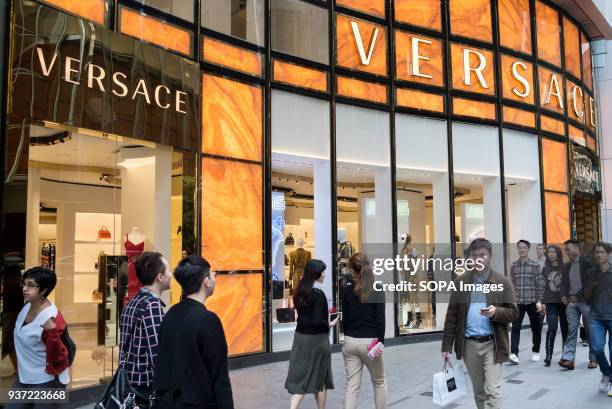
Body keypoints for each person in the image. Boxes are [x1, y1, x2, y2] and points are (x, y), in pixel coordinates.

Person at [442, 238, 518, 409]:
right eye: (474, 256)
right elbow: (452, 316)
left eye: (482, 255)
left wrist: (496, 312)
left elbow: (514, 312)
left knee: (492, 390)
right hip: (469, 344)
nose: (478, 259)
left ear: (490, 256)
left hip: (493, 343)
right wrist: (446, 347)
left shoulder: (503, 282)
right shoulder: (460, 282)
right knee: (479, 392)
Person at [153, 256, 233, 408]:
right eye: (212, 274)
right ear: (206, 282)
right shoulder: (208, 321)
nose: (215, 277)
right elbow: (219, 378)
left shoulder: (170, 314)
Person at [7, 267, 69, 409]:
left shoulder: (52, 318)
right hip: (23, 377)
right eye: (24, 284)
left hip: (45, 381)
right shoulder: (26, 307)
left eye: (31, 285)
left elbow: (58, 354)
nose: (25, 289)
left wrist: (52, 333)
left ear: (43, 290)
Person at [118, 252, 172, 402]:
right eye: (168, 269)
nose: (171, 273)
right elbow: (159, 354)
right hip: (144, 387)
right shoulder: (152, 306)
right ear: (159, 277)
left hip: (128, 383)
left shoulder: (133, 302)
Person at [285, 259, 338, 409]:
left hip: (300, 338)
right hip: (317, 341)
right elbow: (317, 321)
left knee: (300, 378)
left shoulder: (299, 291)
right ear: (316, 274)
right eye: (322, 272)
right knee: (320, 380)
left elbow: (304, 317)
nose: (324, 275)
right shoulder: (319, 295)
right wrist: (330, 323)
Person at [342, 253, 386, 409]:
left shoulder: (347, 290)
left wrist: (347, 337)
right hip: (370, 342)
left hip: (351, 341)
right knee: (379, 381)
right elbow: (381, 320)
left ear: (353, 270)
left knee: (352, 385)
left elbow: (345, 319)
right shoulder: (378, 289)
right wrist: (380, 342)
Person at [559, 239, 597, 370]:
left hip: (586, 302)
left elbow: (590, 283)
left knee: (590, 331)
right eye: (566, 250)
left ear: (577, 248)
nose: (567, 251)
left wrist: (578, 296)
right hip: (572, 303)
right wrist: (563, 295)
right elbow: (563, 283)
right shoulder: (566, 266)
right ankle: (569, 359)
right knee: (572, 330)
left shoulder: (588, 263)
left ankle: (593, 358)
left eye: (568, 249)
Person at [509, 240, 545, 364]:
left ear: (528, 249)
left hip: (532, 302)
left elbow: (540, 284)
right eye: (519, 248)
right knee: (515, 327)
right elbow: (512, 284)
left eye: (524, 247)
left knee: (536, 328)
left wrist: (540, 300)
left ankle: (536, 351)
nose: (522, 250)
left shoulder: (535, 265)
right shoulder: (514, 266)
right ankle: (514, 353)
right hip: (519, 302)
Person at [585, 242, 612, 395]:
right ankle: (607, 373)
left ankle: (610, 379)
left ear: (609, 254)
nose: (599, 254)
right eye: (597, 252)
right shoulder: (591, 272)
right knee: (597, 348)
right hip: (596, 316)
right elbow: (586, 295)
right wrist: (590, 286)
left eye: (602, 252)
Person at [541, 245, 568, 366]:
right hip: (551, 302)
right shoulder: (545, 269)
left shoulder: (565, 267)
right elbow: (543, 287)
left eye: (553, 252)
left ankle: (566, 356)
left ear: (558, 253)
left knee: (565, 330)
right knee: (552, 328)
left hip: (564, 303)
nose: (551, 254)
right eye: (549, 252)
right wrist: (542, 302)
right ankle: (548, 356)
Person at [2, 264, 24, 375]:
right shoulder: (19, 285)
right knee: (14, 343)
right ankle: (18, 367)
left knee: (9, 344)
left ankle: (17, 368)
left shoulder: (11, 286)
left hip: (11, 317)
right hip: (15, 316)